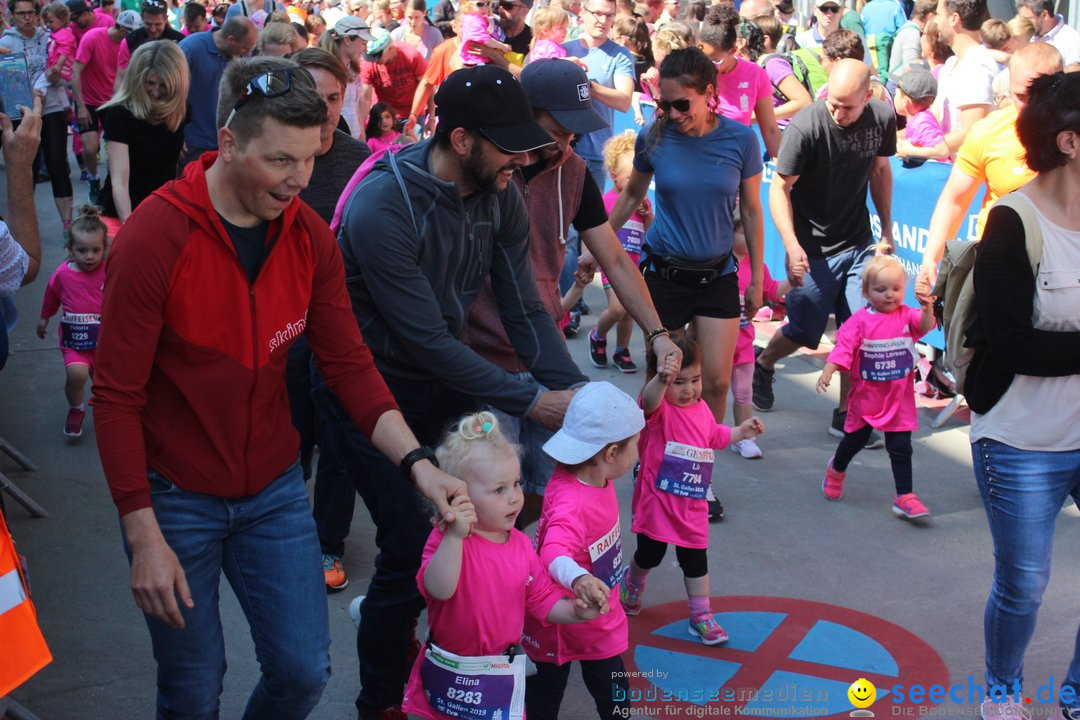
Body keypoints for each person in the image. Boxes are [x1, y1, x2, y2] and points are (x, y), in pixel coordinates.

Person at [92, 55, 466, 719]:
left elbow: (349, 364)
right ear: (229, 143)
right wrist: (143, 535)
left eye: (309, 159)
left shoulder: (310, 241)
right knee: (192, 688)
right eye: (279, 161)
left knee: (302, 674)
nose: (298, 180)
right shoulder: (154, 236)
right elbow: (116, 395)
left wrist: (418, 464)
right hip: (176, 501)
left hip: (271, 493)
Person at [331, 64, 585, 719]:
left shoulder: (498, 190)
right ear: (464, 140)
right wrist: (534, 401)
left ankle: (447, 652)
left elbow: (525, 309)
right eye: (512, 145)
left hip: (442, 384)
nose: (528, 158)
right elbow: (428, 344)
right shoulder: (383, 205)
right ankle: (381, 700)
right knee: (409, 540)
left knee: (474, 529)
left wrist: (578, 395)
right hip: (371, 391)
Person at [466, 59, 680, 529]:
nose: (565, 142)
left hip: (544, 356)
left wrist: (658, 333)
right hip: (480, 361)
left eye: (574, 132)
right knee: (486, 503)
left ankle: (531, 578)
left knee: (551, 486)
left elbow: (615, 258)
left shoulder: (576, 169)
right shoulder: (486, 168)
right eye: (557, 129)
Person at [965, 71, 1080, 720]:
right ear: (1070, 141)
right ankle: (1003, 689)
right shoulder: (1013, 220)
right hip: (1021, 442)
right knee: (1025, 587)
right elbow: (1014, 345)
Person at [609, 47, 765, 520]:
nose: (672, 114)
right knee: (664, 375)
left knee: (715, 382)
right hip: (664, 274)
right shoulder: (654, 137)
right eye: (665, 104)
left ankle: (696, 472)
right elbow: (633, 192)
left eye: (683, 104)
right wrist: (598, 242)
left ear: (710, 95)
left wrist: (757, 276)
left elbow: (753, 211)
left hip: (717, 275)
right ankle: (649, 459)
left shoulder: (741, 141)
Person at [400, 411, 604, 720]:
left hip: (499, 674)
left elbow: (541, 599)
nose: (514, 498)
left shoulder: (521, 545)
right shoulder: (448, 539)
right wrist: (454, 537)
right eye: (499, 489)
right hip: (452, 674)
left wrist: (575, 611)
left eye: (517, 484)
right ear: (460, 495)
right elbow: (438, 590)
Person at [753, 59, 896, 448]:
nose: (839, 112)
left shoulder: (882, 118)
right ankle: (764, 363)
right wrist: (792, 244)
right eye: (833, 102)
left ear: (869, 96)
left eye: (848, 106)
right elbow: (779, 188)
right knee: (804, 330)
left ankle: (849, 415)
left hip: (857, 240)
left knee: (859, 330)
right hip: (813, 246)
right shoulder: (808, 125)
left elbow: (880, 172)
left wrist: (886, 227)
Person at [291, 46, 372, 592]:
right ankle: (281, 529)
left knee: (340, 440)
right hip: (278, 325)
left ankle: (326, 544)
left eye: (333, 99)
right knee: (290, 435)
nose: (323, 112)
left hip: (339, 322)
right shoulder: (275, 154)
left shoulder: (359, 159)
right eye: (311, 98)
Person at [620, 337, 764, 643]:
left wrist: (741, 432)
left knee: (696, 560)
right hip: (657, 503)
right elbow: (647, 403)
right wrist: (661, 380)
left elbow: (714, 435)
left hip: (692, 505)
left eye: (695, 380)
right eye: (678, 382)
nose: (689, 390)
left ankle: (701, 615)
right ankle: (632, 584)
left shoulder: (701, 409)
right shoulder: (659, 411)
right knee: (649, 554)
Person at [522, 381, 643, 720]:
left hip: (599, 617)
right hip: (561, 619)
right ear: (611, 454)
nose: (639, 450)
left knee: (615, 694)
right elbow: (553, 553)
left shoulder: (591, 475)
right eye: (635, 444)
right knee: (543, 701)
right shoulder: (572, 502)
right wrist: (579, 580)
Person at [913, 41, 1062, 299]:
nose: (1029, 105)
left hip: (1063, 273)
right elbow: (955, 200)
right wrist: (930, 259)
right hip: (1000, 269)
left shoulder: (1073, 135)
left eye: (1040, 93)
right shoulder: (989, 131)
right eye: (1021, 96)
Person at [815, 247, 936, 517]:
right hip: (865, 401)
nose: (889, 295)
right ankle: (836, 469)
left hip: (898, 402)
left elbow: (926, 325)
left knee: (901, 448)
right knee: (853, 442)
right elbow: (843, 348)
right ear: (867, 293)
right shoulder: (859, 322)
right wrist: (829, 369)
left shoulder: (907, 316)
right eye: (881, 289)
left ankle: (905, 496)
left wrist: (928, 307)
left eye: (895, 288)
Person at [97, 40, 189, 228]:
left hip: (161, 210)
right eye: (149, 83)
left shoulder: (181, 110)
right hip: (121, 212)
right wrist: (129, 225)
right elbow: (119, 181)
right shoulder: (120, 113)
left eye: (163, 85)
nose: (155, 92)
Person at [1, 0, 74, 228]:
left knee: (57, 164)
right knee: (26, 168)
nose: (27, 17)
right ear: (11, 14)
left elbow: (67, 71)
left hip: (51, 107)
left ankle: (68, 227)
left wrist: (57, 77)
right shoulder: (6, 42)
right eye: (21, 13)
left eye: (31, 12)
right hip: (20, 112)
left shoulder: (50, 36)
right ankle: (25, 226)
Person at [36, 206, 107, 438]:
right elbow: (51, 295)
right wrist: (44, 319)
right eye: (82, 250)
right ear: (69, 249)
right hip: (75, 341)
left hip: (105, 342)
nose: (89, 256)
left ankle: (110, 414)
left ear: (104, 249)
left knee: (105, 384)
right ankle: (76, 409)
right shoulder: (63, 274)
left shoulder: (110, 271)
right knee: (76, 374)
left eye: (96, 250)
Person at [589, 130, 650, 373]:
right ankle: (598, 334)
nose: (637, 180)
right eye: (630, 176)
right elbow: (594, 230)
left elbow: (650, 232)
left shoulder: (644, 201)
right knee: (617, 308)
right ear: (614, 177)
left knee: (628, 314)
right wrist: (592, 256)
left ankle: (621, 350)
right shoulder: (606, 201)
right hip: (612, 264)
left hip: (634, 265)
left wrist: (648, 217)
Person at [728, 210, 788, 459]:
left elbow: (774, 291)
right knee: (709, 390)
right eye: (743, 232)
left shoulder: (757, 266)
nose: (751, 238)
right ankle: (701, 433)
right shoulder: (718, 261)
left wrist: (794, 279)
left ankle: (743, 438)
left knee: (744, 392)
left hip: (743, 341)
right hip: (712, 341)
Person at [73, 9, 141, 203]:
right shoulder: (93, 37)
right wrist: (80, 106)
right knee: (89, 147)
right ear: (120, 28)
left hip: (114, 101)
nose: (133, 38)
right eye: (130, 33)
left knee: (117, 149)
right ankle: (94, 179)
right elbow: (75, 71)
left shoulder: (131, 45)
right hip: (89, 101)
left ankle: (114, 186)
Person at [698, 3, 782, 157]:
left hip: (735, 162)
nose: (708, 66)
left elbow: (770, 130)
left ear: (733, 51)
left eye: (715, 61)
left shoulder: (755, 75)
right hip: (697, 158)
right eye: (704, 58)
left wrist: (783, 172)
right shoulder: (692, 69)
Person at [177, 16, 257, 169]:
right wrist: (176, 134)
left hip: (220, 142)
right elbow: (172, 94)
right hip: (192, 142)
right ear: (231, 39)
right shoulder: (191, 47)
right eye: (245, 48)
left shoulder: (236, 58)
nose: (246, 53)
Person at [357, 27, 426, 136]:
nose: (375, 60)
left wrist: (424, 115)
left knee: (414, 149)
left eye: (378, 56)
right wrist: (362, 130)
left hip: (413, 112)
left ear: (389, 48)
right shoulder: (368, 64)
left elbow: (426, 85)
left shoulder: (410, 55)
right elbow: (365, 99)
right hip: (386, 116)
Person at [318, 16, 375, 138]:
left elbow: (355, 106)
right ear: (347, 40)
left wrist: (362, 136)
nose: (365, 49)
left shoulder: (354, 70)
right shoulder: (326, 71)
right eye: (363, 43)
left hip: (353, 139)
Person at [115, 0, 185, 86]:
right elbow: (121, 78)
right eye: (148, 24)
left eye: (158, 24)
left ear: (166, 19)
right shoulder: (130, 41)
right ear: (142, 18)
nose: (153, 29)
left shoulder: (180, 41)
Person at [894, 66, 946, 158]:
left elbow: (942, 151)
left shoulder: (922, 122)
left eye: (896, 93)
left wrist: (908, 150)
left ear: (905, 101)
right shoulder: (918, 119)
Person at [1016, 0, 1080, 66]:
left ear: (1045, 15)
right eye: (1021, 18)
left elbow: (1072, 74)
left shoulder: (1072, 41)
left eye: (1027, 19)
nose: (1022, 23)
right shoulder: (1022, 35)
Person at [42, 2, 76, 83]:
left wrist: (58, 65)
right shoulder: (57, 33)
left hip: (61, 72)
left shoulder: (64, 34)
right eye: (47, 22)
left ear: (63, 20)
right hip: (56, 70)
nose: (48, 24)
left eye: (51, 21)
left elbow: (65, 51)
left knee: (40, 85)